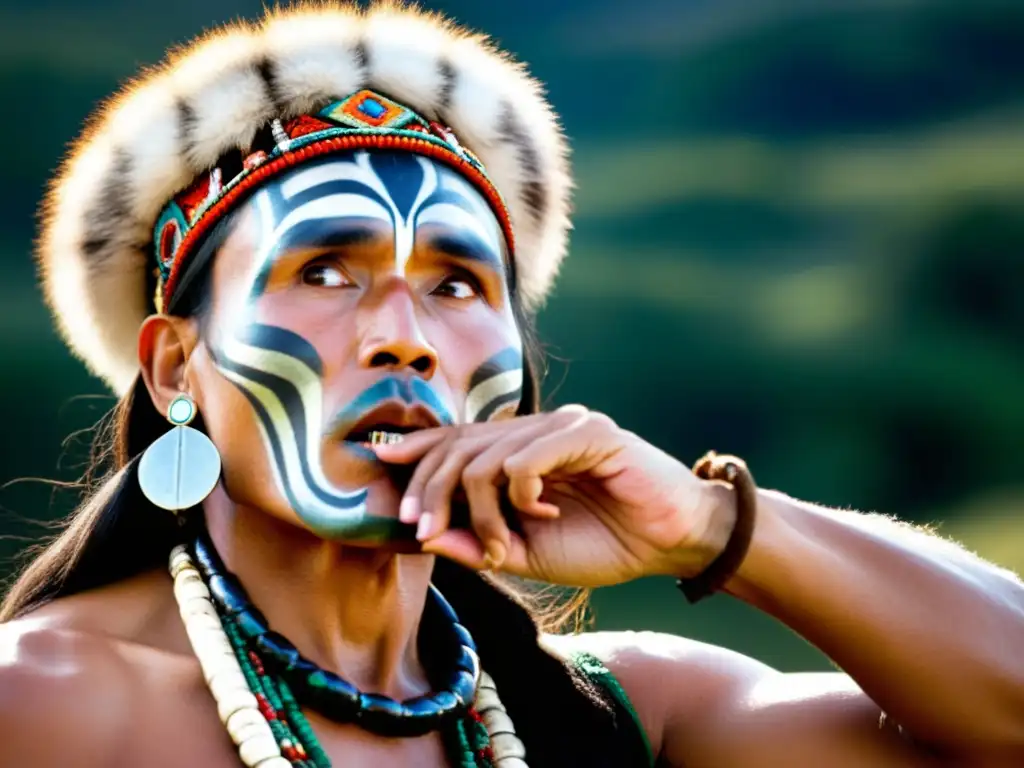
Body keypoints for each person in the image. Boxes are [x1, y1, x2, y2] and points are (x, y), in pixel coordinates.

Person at [2, 3, 1022, 767]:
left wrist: (713, 525)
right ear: (177, 363)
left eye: (455, 283)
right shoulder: (39, 707)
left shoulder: (624, 719)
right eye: (322, 271)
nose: (403, 338)